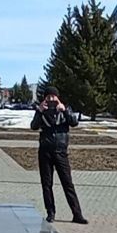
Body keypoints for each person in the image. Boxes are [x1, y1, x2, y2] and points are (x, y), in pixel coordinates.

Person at [31, 86, 86, 224]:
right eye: (48, 97)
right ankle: (51, 212)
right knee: (46, 184)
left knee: (68, 183)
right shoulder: (41, 111)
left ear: (58, 97)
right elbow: (34, 126)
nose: (51, 99)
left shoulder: (64, 109)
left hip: (61, 152)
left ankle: (77, 214)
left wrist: (65, 110)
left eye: (53, 97)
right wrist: (39, 112)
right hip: (45, 152)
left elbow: (74, 122)